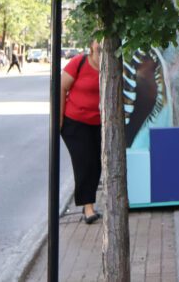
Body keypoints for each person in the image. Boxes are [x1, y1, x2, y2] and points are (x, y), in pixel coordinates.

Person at [60, 42, 103, 224]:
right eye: (97, 40)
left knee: (98, 165)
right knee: (85, 163)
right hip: (75, 123)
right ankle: (88, 208)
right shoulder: (79, 62)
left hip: (99, 124)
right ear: (92, 45)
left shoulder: (110, 66)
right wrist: (59, 120)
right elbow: (61, 88)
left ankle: (89, 203)